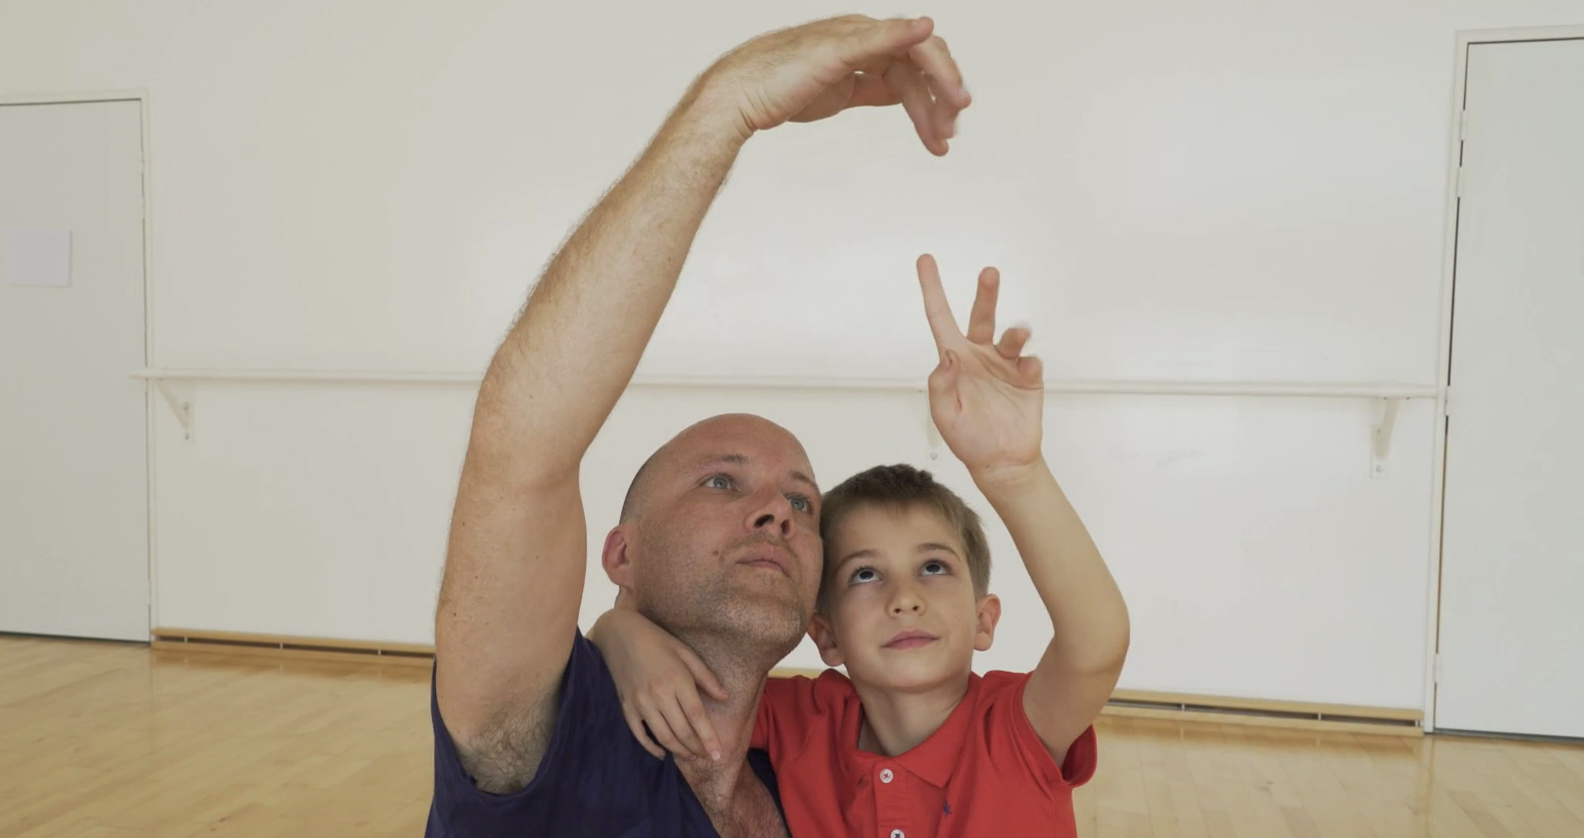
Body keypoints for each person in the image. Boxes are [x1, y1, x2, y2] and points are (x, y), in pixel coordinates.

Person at [427, 15, 972, 838]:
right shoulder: (549, 731)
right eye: (723, 481)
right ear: (622, 555)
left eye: (802, 503)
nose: (776, 512)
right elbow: (520, 450)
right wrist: (726, 107)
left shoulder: (820, 778)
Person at [589, 255, 1132, 837]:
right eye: (866, 575)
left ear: (984, 619)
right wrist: (618, 633)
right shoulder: (805, 721)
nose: (904, 598)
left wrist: (1013, 473)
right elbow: (696, 678)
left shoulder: (1015, 728)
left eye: (933, 567)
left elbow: (1095, 644)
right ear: (825, 633)